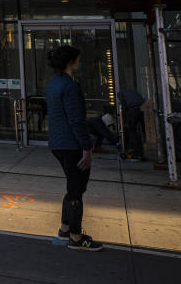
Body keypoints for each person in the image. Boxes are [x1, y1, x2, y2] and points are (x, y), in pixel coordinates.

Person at [46, 45, 103, 251]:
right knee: (76, 190)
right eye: (78, 59)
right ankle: (76, 237)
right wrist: (86, 148)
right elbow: (76, 120)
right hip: (72, 144)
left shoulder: (54, 83)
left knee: (72, 186)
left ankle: (64, 229)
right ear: (71, 62)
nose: (80, 62)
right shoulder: (70, 87)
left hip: (57, 143)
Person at [118, 88, 147, 161]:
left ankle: (137, 150)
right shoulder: (134, 93)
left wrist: (125, 119)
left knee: (131, 130)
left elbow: (124, 104)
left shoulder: (120, 93)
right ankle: (144, 148)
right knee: (144, 130)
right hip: (142, 109)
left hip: (132, 109)